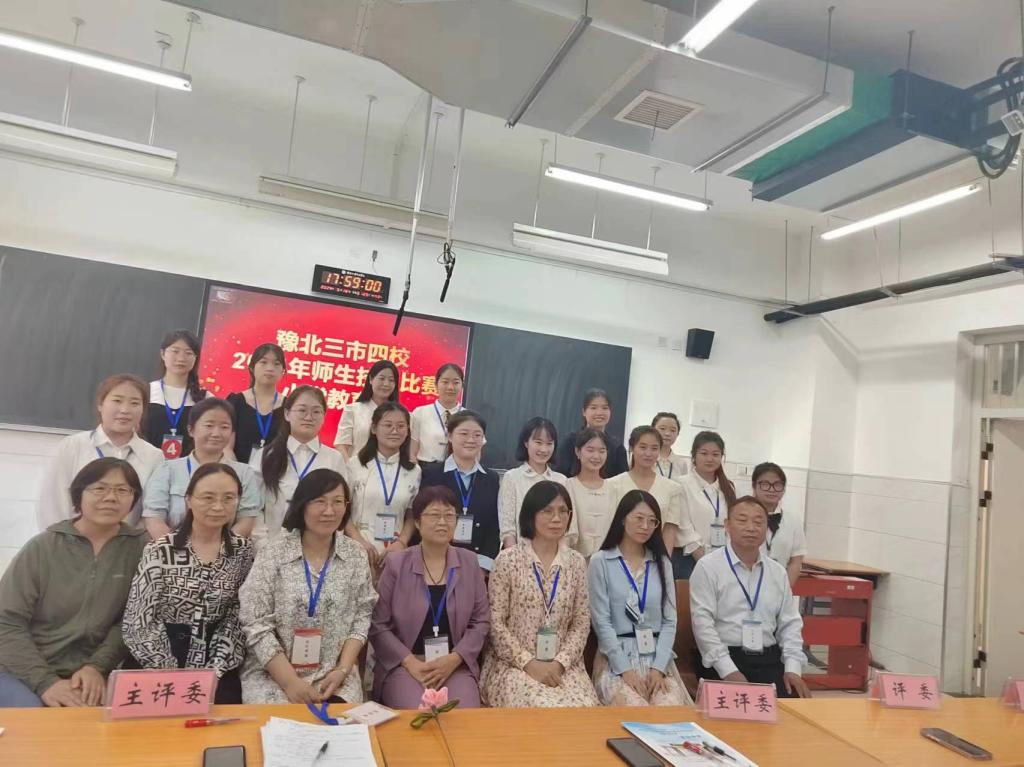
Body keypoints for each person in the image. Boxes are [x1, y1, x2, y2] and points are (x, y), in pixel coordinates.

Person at [0, 458, 146, 707]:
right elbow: (7, 622)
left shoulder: (142, 549)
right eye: (99, 488)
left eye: (123, 490)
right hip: (24, 669)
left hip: (96, 671)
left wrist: (97, 667)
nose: (111, 497)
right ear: (79, 495)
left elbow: (132, 620)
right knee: (35, 719)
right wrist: (45, 682)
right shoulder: (43, 547)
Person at [239, 469, 376, 704]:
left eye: (337, 502)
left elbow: (362, 615)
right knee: (281, 723)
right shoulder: (273, 552)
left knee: (341, 722)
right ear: (302, 505)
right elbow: (255, 622)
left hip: (334, 675)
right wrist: (289, 682)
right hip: (274, 676)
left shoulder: (355, 554)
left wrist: (343, 669)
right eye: (320, 502)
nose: (329, 511)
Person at [122, 463, 254, 703]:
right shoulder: (160, 550)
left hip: (217, 657)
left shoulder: (242, 551)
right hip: (157, 656)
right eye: (208, 497)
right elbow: (138, 620)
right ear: (189, 500)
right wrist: (168, 671)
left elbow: (237, 617)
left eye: (228, 498)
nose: (218, 507)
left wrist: (215, 669)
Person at [480, 481, 599, 708]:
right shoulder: (507, 560)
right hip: (514, 666)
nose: (557, 518)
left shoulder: (575, 562)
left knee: (585, 709)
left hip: (563, 667)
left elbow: (581, 622)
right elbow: (495, 622)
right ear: (530, 515)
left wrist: (560, 663)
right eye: (547, 511)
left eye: (563, 511)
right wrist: (528, 663)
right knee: (542, 706)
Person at [370, 486, 491, 708]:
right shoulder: (397, 564)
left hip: (454, 666)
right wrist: (410, 662)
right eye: (434, 515)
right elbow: (379, 625)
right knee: (420, 712)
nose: (443, 522)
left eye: (449, 515)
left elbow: (480, 621)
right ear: (417, 522)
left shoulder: (469, 562)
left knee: (461, 716)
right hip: (406, 666)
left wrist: (454, 659)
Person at [689, 496, 811, 699]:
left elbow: (790, 623)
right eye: (742, 520)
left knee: (793, 706)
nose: (751, 528)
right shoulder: (708, 567)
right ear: (727, 525)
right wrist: (729, 671)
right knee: (737, 711)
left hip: (768, 657)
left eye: (758, 522)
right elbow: (702, 624)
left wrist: (793, 668)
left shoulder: (777, 572)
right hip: (724, 658)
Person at [588, 490, 692, 706]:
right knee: (634, 708)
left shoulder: (662, 563)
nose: (645, 526)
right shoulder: (601, 561)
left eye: (652, 521)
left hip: (657, 658)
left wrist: (658, 668)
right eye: (639, 518)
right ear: (622, 518)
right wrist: (625, 669)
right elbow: (601, 622)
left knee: (668, 707)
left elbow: (670, 620)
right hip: (616, 660)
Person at [37, 374, 163, 530]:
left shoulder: (154, 457)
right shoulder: (73, 446)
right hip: (72, 539)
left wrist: (132, 540)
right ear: (100, 404)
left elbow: (152, 512)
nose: (125, 410)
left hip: (128, 542)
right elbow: (52, 502)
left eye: (135, 403)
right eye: (117, 401)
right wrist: (64, 538)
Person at [142, 398, 263, 539]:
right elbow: (154, 517)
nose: (216, 433)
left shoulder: (244, 473)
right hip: (173, 549)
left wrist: (220, 549)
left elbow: (246, 519)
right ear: (191, 430)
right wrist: (176, 548)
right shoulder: (167, 470)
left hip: (227, 550)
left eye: (224, 427)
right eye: (209, 425)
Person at [255, 386, 347, 544]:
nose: (309, 417)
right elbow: (253, 507)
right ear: (287, 414)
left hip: (319, 548)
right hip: (272, 545)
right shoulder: (266, 455)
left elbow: (340, 507)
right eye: (302, 410)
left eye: (316, 411)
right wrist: (263, 545)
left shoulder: (334, 458)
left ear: (324, 416)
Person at [421, 411, 500, 571]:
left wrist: (482, 567)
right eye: (464, 434)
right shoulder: (431, 474)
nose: (471, 440)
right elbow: (423, 519)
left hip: (477, 565)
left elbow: (494, 525)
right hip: (435, 562)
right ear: (450, 436)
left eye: (477, 435)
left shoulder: (491, 479)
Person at [346, 403, 422, 568]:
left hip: (395, 553)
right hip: (357, 548)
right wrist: (359, 542)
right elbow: (342, 510)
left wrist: (402, 543)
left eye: (401, 426)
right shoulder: (355, 465)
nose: (395, 431)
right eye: (388, 425)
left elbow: (411, 514)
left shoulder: (414, 471)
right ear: (374, 428)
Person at [608, 427, 688, 570]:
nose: (648, 453)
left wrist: (663, 563)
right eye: (643, 447)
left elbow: (669, 530)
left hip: (654, 558)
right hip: (618, 556)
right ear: (632, 448)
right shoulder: (612, 484)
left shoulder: (672, 488)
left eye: (654, 448)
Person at [675, 431, 737, 579]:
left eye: (715, 454)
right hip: (690, 559)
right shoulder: (680, 484)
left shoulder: (729, 487)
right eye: (704, 453)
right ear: (694, 455)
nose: (710, 459)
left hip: (724, 560)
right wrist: (705, 561)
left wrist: (725, 558)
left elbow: (733, 524)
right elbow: (684, 527)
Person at [499, 417, 567, 549]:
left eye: (549, 444)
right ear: (526, 442)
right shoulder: (512, 478)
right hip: (520, 554)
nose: (544, 449)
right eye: (538, 442)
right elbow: (508, 529)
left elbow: (567, 529)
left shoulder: (561, 480)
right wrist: (516, 558)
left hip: (553, 555)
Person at [144, 329, 206, 459]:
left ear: (196, 358)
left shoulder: (206, 398)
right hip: (147, 462)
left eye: (188, 353)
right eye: (175, 351)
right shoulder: (147, 391)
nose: (181, 358)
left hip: (189, 466)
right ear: (162, 354)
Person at [226, 342, 287, 465]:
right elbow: (226, 447)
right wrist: (239, 472)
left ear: (282, 371)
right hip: (236, 471)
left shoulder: (289, 406)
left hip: (274, 474)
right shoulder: (235, 402)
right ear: (252, 368)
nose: (270, 368)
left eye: (276, 364)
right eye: (263, 362)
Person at [752, 463, 806, 587]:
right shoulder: (743, 517)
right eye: (765, 484)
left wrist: (784, 591)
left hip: (779, 585)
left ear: (784, 489)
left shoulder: (793, 520)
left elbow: (796, 561)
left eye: (777, 485)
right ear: (754, 486)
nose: (772, 490)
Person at [334, 360, 400, 460]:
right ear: (371, 379)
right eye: (381, 378)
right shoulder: (353, 410)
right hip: (356, 467)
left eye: (391, 380)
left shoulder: (401, 415)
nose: (386, 384)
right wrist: (351, 467)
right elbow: (341, 445)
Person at [565, 429, 616, 559]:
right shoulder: (567, 486)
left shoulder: (614, 488)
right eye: (590, 450)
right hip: (575, 560)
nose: (596, 456)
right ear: (578, 452)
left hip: (607, 561)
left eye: (602, 451)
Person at [555, 389, 629, 478]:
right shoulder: (571, 441)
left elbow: (622, 478)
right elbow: (560, 474)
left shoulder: (616, 446)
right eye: (593, 408)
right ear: (584, 412)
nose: (599, 413)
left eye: (605, 408)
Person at [410, 363, 465, 464]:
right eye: (445, 382)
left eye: (456, 383)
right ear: (436, 384)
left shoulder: (468, 417)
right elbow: (412, 451)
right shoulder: (420, 413)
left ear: (462, 386)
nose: (450, 387)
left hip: (456, 470)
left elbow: (475, 453)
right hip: (425, 469)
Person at [651, 412, 688, 483]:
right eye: (662, 428)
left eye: (672, 430)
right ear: (652, 430)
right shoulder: (645, 457)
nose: (667, 433)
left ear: (677, 434)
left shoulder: (681, 463)